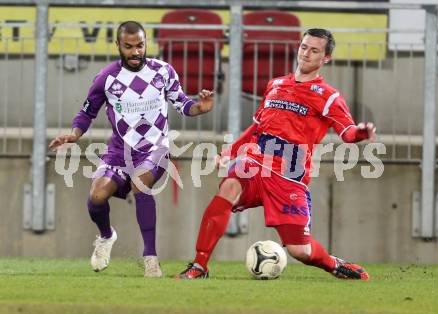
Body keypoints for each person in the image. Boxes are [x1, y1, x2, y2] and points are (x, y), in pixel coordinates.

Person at [177, 28, 375, 280]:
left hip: (288, 176)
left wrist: (360, 134)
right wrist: (230, 152)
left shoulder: (328, 96)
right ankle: (199, 266)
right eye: (304, 47)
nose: (306, 53)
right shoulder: (276, 84)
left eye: (314, 50)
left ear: (326, 58)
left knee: (300, 251)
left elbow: (347, 132)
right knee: (229, 187)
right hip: (256, 163)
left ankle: (333, 264)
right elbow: (256, 127)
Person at [49, 21, 214, 278]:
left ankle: (150, 259)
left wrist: (198, 108)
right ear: (118, 45)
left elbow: (181, 103)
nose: (136, 52)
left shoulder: (163, 71)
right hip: (119, 151)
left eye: (140, 45)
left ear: (146, 43)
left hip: (155, 149)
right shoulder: (106, 77)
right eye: (129, 47)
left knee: (140, 183)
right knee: (96, 196)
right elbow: (86, 112)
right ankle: (106, 236)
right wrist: (73, 134)